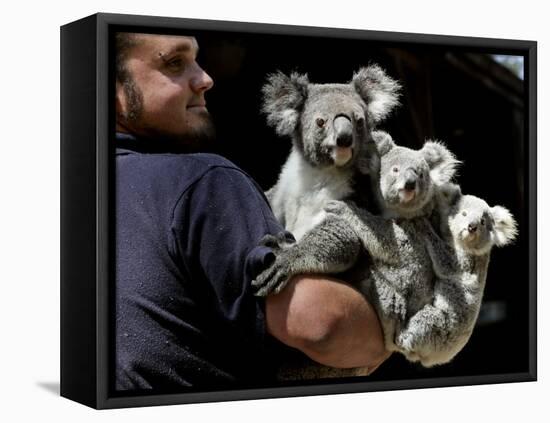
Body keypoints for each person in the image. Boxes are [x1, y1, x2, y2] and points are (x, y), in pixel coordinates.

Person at [114, 32, 389, 391]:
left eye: (197, 60)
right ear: (110, 88)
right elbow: (322, 325)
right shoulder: (203, 182)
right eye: (174, 63)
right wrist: (393, 326)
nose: (204, 78)